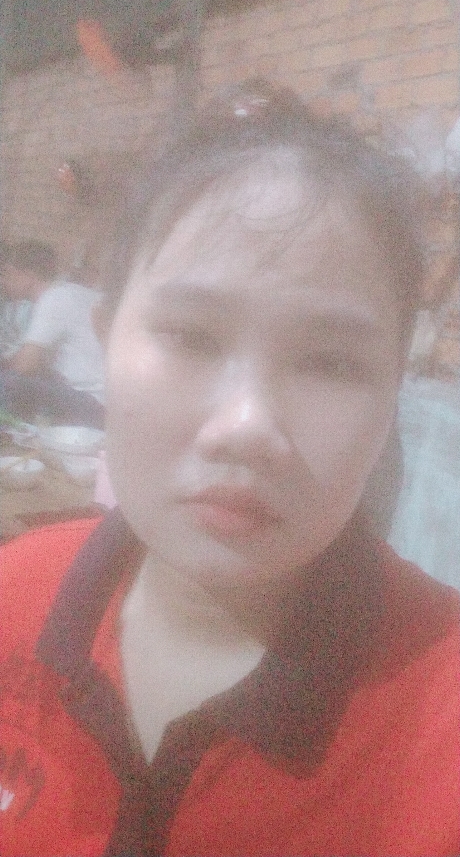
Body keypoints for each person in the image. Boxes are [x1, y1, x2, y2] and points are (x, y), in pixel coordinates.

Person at [1, 82, 458, 857]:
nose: (247, 428)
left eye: (331, 361)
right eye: (190, 336)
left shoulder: (440, 720)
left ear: (392, 394)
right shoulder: (14, 590)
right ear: (107, 342)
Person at [0, 238, 105, 428]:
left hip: (92, 402)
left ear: (28, 276)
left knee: (7, 382)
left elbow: (24, 366)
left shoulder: (54, 298)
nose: (3, 281)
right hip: (101, 397)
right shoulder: (70, 292)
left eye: (7, 274)